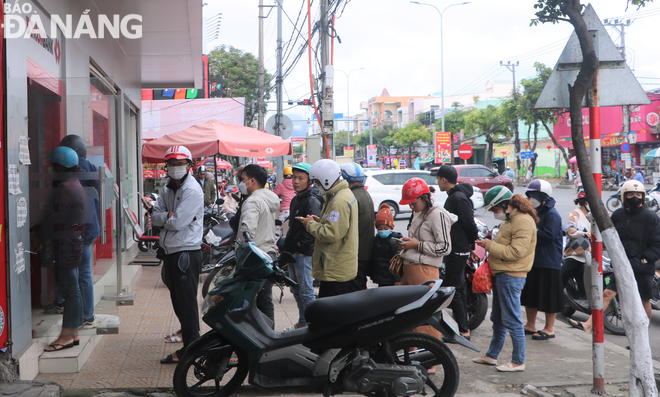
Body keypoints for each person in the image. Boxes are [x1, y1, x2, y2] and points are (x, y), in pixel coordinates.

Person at [568, 180, 660, 333]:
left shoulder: (651, 218)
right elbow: (609, 236)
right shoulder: (617, 215)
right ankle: (589, 324)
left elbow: (657, 243)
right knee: (607, 294)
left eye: (638, 194)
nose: (634, 197)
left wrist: (644, 259)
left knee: (644, 301)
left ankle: (642, 334)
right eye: (630, 194)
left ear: (643, 197)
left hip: (642, 268)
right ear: (624, 196)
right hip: (622, 265)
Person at [147, 146, 204, 364]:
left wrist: (167, 218)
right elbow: (156, 214)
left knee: (186, 303)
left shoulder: (192, 190)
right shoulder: (168, 188)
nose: (175, 168)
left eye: (180, 164)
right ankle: (190, 345)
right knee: (179, 303)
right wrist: (167, 216)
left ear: (189, 165)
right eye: (172, 164)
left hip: (185, 253)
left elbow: (178, 222)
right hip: (172, 251)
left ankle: (191, 350)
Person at [473, 187, 537, 372]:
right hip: (503, 274)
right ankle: (492, 355)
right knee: (498, 318)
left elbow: (516, 252)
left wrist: (489, 245)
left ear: (504, 204)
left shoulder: (522, 221)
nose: (495, 214)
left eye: (495, 210)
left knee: (512, 319)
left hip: (512, 275)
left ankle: (518, 361)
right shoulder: (512, 219)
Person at [39, 147, 89, 351]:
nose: (50, 169)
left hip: (65, 246)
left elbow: (53, 218)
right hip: (70, 245)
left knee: (71, 292)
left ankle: (67, 334)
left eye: (52, 166)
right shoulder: (73, 184)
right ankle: (73, 333)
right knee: (72, 290)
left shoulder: (65, 188)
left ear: (60, 166)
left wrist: (37, 233)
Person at [396, 178, 454, 345]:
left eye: (413, 202)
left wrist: (417, 245)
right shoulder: (419, 213)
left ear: (424, 198)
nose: (411, 206)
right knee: (409, 316)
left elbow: (445, 247)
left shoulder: (438, 214)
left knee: (425, 318)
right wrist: (408, 242)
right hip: (410, 270)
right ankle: (413, 352)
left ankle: (428, 357)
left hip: (425, 271)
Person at [297, 159, 358, 298]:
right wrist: (319, 221)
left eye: (317, 183)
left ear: (326, 180)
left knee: (334, 314)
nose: (316, 186)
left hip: (335, 268)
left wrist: (310, 224)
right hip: (334, 266)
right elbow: (337, 225)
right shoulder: (337, 195)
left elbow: (331, 233)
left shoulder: (339, 201)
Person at [58, 135, 100, 329]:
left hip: (79, 229)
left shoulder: (73, 172)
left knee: (79, 272)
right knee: (85, 272)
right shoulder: (91, 167)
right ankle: (86, 313)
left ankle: (83, 314)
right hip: (91, 226)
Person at [434, 165, 479, 340]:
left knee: (456, 289)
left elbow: (469, 223)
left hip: (458, 250)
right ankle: (461, 328)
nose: (437, 182)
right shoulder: (454, 196)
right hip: (457, 248)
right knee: (455, 287)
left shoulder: (458, 198)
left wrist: (471, 244)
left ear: (443, 179)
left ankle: (462, 330)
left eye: (438, 179)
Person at [235, 164, 281, 326]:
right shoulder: (268, 198)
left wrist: (240, 255)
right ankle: (270, 338)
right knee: (265, 302)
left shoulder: (253, 201)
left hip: (255, 259)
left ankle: (254, 340)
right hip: (269, 255)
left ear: (252, 181)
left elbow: (246, 232)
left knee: (247, 302)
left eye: (242, 179)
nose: (240, 182)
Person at [520, 179, 563, 341]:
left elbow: (549, 236)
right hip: (534, 260)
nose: (531, 199)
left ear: (543, 197)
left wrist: (529, 232)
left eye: (533, 195)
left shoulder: (552, 214)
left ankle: (549, 328)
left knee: (548, 297)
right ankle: (531, 324)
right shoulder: (535, 212)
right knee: (531, 295)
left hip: (549, 262)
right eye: (529, 195)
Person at [282, 163, 323, 330]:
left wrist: (300, 248)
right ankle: (303, 321)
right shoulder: (296, 198)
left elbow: (312, 229)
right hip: (293, 251)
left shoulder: (312, 199)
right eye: (294, 177)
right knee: (296, 290)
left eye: (301, 178)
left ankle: (314, 326)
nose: (296, 181)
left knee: (306, 292)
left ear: (309, 180)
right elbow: (293, 226)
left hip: (303, 253)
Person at [342, 163, 375, 292]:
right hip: (365, 251)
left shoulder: (352, 197)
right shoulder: (364, 194)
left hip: (357, 253)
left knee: (355, 289)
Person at [561, 190, 591, 295]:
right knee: (560, 278)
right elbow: (570, 230)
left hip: (589, 257)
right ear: (584, 202)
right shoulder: (575, 214)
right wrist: (581, 233)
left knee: (585, 287)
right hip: (574, 255)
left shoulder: (593, 216)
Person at [371, 203, 402, 287]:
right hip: (381, 278)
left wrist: (398, 279)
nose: (383, 231)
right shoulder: (377, 240)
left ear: (391, 228)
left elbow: (398, 262)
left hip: (391, 279)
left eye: (386, 228)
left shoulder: (394, 242)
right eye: (380, 229)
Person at [273, 166, 296, 236]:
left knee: (278, 227)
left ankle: (275, 244)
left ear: (284, 176)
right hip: (295, 210)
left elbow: (273, 195)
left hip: (285, 211)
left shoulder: (281, 185)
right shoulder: (296, 184)